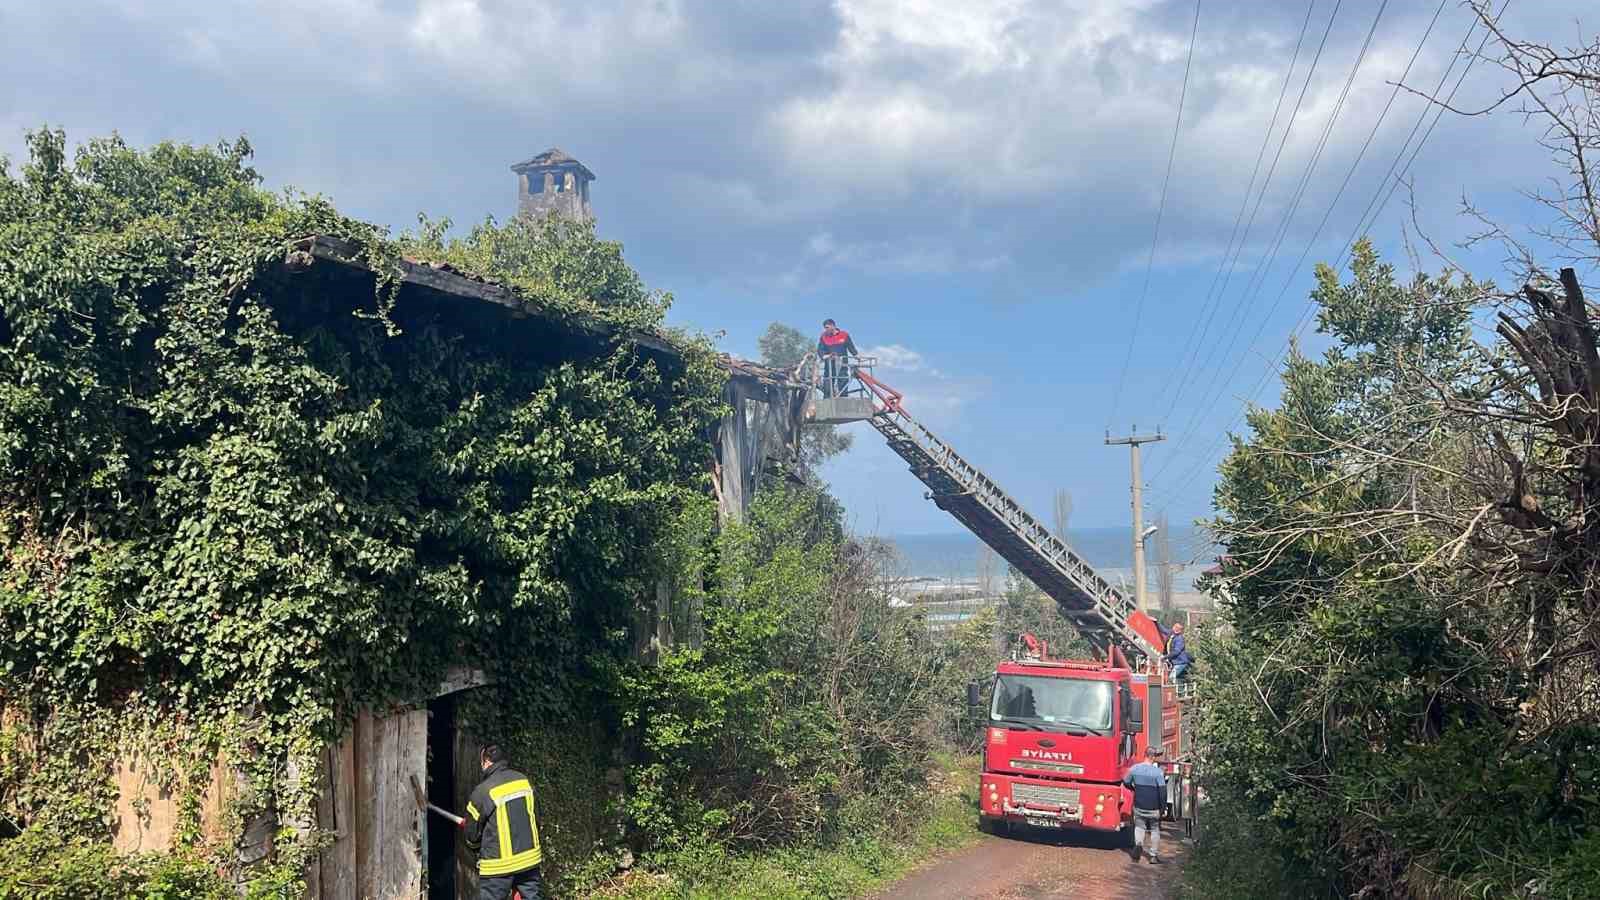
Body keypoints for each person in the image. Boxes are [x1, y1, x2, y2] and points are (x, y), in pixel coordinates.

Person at [464, 744, 544, 900]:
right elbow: (536, 817)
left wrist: (475, 847)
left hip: (498, 868)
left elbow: (471, 835)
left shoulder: (483, 791)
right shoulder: (524, 781)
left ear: (486, 761)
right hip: (529, 862)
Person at [1123, 746, 1166, 864]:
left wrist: (1133, 788)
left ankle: (1138, 845)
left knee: (1139, 827)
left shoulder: (1134, 769)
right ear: (1152, 757)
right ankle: (1153, 855)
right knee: (1155, 829)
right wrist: (1162, 809)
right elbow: (1162, 792)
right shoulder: (1158, 773)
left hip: (1139, 806)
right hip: (1154, 808)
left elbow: (1126, 781)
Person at [816, 318, 858, 397]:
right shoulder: (823, 336)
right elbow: (820, 350)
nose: (826, 330)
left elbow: (851, 347)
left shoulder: (844, 334)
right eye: (825, 328)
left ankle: (843, 401)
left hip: (842, 365)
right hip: (829, 366)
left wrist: (857, 356)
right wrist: (825, 356)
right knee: (827, 386)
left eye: (827, 327)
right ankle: (827, 402)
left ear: (833, 326)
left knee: (843, 384)